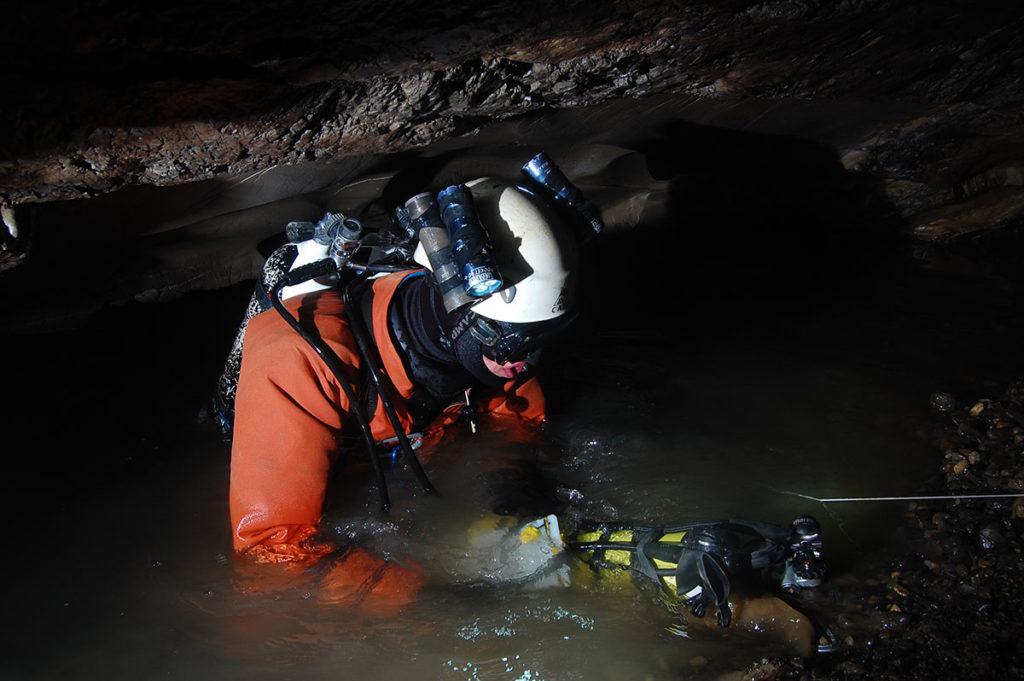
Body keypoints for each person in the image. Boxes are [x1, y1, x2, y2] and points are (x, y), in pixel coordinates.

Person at [224, 169, 586, 612]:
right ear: (458, 312)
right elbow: (270, 551)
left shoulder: (496, 345)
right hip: (329, 456)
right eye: (514, 341)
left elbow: (519, 422)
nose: (526, 362)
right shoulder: (301, 359)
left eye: (543, 339)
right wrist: (427, 601)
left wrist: (516, 491)